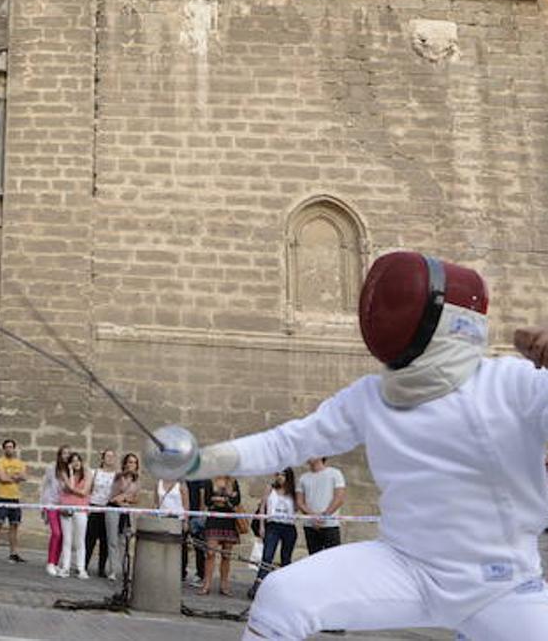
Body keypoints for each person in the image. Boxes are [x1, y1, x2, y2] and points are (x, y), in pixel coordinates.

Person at [146, 251, 548, 639]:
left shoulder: (512, 383)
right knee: (282, 597)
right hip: (404, 566)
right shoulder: (372, 397)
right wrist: (202, 461)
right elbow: (290, 442)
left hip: (501, 585)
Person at [250, 467, 297, 599]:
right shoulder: (270, 488)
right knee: (267, 556)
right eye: (278, 474)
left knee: (286, 558)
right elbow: (262, 507)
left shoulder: (293, 492)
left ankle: (284, 589)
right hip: (273, 525)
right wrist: (261, 526)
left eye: (283, 474)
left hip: (289, 526)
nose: (280, 477)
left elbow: (299, 507)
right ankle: (258, 586)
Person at [199, 475, 241, 596]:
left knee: (226, 555)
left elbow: (237, 501)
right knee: (210, 553)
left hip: (228, 521)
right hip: (214, 519)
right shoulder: (210, 480)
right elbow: (207, 500)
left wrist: (223, 500)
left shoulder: (233, 481)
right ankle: (206, 585)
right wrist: (226, 498)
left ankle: (224, 585)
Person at [0, 438, 26, 563]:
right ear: (4, 449)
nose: (9, 449)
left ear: (14, 448)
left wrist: (12, 477)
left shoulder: (20, 463)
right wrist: (15, 477)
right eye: (7, 447)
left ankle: (13, 553)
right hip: (2, 496)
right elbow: (2, 478)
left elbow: (24, 476)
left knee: (14, 525)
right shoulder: (0, 462)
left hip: (15, 498)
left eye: (11, 447)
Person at [297, 456, 345, 555]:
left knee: (333, 559)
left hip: (330, 525)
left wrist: (324, 516)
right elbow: (300, 502)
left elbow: (339, 498)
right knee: (314, 559)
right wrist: (313, 516)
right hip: (310, 526)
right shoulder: (303, 478)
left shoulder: (335, 473)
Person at [107, 453, 143, 581]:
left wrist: (126, 499)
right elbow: (113, 496)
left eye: (134, 462)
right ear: (125, 463)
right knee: (112, 540)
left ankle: (125, 570)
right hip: (114, 509)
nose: (131, 465)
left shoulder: (137, 480)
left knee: (124, 541)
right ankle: (112, 570)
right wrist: (124, 498)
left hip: (126, 511)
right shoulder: (119, 476)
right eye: (129, 462)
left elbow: (137, 498)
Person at [57, 451, 92, 579]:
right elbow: (69, 487)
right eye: (73, 461)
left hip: (81, 509)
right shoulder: (64, 474)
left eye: (78, 460)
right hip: (67, 508)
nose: (76, 463)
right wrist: (71, 473)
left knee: (80, 540)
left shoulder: (87, 473)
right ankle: (65, 567)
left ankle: (80, 568)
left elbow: (84, 492)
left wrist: (73, 490)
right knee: (67, 539)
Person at [85, 449, 118, 577]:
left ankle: (101, 568)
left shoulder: (116, 475)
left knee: (105, 540)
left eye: (112, 456)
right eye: (107, 456)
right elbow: (89, 490)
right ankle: (84, 565)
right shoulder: (95, 472)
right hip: (94, 507)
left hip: (108, 508)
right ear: (102, 458)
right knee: (90, 539)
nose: (110, 459)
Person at [40, 445, 70, 576]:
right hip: (51, 503)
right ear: (59, 455)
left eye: (68, 454)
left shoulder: (70, 470)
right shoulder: (52, 468)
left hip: (64, 505)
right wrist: (42, 506)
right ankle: (50, 562)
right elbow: (45, 486)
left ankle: (56, 563)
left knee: (63, 535)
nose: (66, 456)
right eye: (64, 453)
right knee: (56, 533)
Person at [155, 473, 189, 582]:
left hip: (177, 518)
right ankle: (162, 571)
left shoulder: (181, 484)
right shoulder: (158, 483)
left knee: (179, 548)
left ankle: (180, 573)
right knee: (161, 546)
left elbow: (186, 504)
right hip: (163, 518)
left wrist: (186, 521)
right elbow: (156, 502)